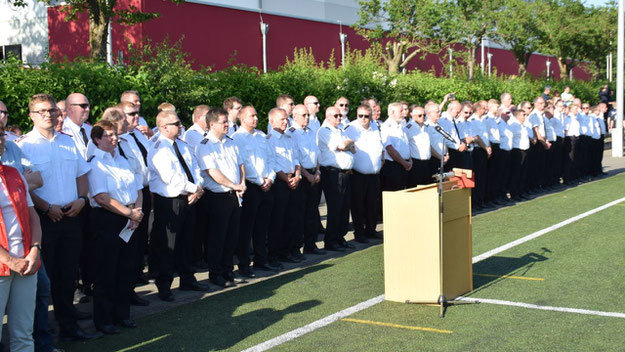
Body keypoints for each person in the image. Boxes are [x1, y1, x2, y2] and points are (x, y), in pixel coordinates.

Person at [17, 94, 99, 341]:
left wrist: (82, 199)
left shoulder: (67, 141)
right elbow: (23, 188)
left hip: (71, 215)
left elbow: (81, 174)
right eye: (42, 111)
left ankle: (69, 326)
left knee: (68, 275)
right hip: (43, 219)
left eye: (52, 110)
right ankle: (41, 334)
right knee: (43, 283)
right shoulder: (23, 146)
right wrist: (45, 207)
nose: (48, 115)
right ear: (31, 115)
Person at [87, 120, 144, 334]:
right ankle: (104, 319)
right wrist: (130, 213)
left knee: (127, 268)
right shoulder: (95, 164)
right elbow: (102, 198)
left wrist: (136, 212)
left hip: (131, 218)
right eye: (108, 135)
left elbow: (138, 188)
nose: (114, 138)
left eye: (115, 134)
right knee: (106, 271)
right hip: (108, 219)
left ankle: (122, 314)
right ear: (97, 139)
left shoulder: (122, 160)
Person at [148, 110, 206, 302]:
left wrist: (197, 189)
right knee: (168, 245)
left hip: (189, 198)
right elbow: (170, 176)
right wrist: (194, 189)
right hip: (170, 201)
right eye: (176, 123)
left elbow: (195, 168)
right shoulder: (158, 147)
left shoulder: (182, 144)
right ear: (164, 127)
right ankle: (164, 284)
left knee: (187, 240)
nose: (180, 126)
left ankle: (187, 277)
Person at [196, 108, 245, 287]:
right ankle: (215, 273)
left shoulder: (230, 142)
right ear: (212, 124)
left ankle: (227, 270)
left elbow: (240, 165)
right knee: (217, 237)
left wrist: (242, 183)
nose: (227, 125)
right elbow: (212, 172)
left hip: (234, 194)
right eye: (224, 122)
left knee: (232, 236)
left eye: (227, 122)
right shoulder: (204, 145)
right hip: (216, 197)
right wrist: (234, 185)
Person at [0, 160, 42, 351]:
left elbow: (33, 217)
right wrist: (9, 260)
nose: (0, 141)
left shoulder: (14, 174)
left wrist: (35, 249)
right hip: (4, 266)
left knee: (24, 333)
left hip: (26, 262)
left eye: (1, 134)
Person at [232, 106, 278, 276]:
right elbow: (244, 163)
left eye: (257, 115)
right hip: (251, 186)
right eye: (252, 115)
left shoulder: (261, 136)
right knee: (246, 228)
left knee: (262, 226)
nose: (256, 118)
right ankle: (244, 264)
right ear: (242, 118)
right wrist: (260, 181)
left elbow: (271, 159)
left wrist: (270, 178)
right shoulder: (237, 138)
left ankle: (261, 259)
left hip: (266, 185)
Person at [266, 108, 303, 264]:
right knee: (278, 221)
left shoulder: (289, 137)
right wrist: (287, 180)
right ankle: (275, 254)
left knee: (292, 219)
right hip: (280, 183)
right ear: (272, 121)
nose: (285, 122)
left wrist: (298, 175)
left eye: (286, 119)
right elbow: (272, 164)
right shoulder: (269, 140)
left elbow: (295, 159)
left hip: (293, 181)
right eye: (281, 119)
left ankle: (289, 250)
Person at [286, 105, 323, 255]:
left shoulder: (311, 132)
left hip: (314, 174)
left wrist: (318, 171)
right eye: (303, 115)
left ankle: (311, 244)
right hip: (302, 177)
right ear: (294, 116)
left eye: (308, 115)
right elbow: (295, 158)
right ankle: (295, 248)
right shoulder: (291, 133)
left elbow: (316, 154)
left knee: (312, 213)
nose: (307, 118)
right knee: (298, 215)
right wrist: (307, 175)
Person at [317, 107, 355, 252]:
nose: (339, 118)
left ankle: (340, 237)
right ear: (328, 116)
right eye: (336, 115)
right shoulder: (325, 131)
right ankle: (331, 240)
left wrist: (349, 144)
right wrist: (350, 142)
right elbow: (341, 146)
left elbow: (353, 149)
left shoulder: (340, 130)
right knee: (335, 208)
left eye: (340, 115)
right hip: (333, 173)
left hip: (345, 173)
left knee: (344, 207)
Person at [344, 104, 383, 243]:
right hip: (357, 174)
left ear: (371, 116)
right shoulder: (350, 128)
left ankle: (371, 230)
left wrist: (381, 163)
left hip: (374, 173)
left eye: (366, 116)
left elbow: (380, 148)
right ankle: (359, 233)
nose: (363, 119)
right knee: (358, 205)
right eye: (360, 116)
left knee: (372, 204)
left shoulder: (376, 127)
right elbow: (344, 147)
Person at [381, 102, 411, 191]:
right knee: (394, 193)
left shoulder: (400, 126)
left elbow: (406, 145)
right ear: (392, 112)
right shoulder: (386, 126)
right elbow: (389, 148)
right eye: (400, 111)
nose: (403, 113)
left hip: (403, 165)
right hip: (393, 166)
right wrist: (404, 163)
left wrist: (409, 161)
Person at [404, 105, 432, 187]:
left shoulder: (425, 127)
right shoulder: (409, 127)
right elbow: (405, 144)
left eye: (424, 115)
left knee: (426, 187)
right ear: (412, 115)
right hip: (415, 163)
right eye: (420, 115)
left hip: (426, 163)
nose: (422, 117)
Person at [62, 93, 92, 160]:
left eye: (88, 106)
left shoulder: (90, 130)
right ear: (70, 108)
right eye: (83, 106)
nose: (87, 109)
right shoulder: (63, 131)